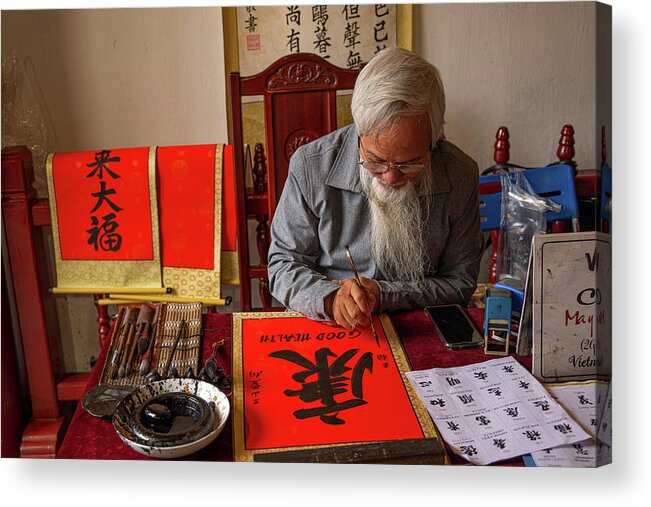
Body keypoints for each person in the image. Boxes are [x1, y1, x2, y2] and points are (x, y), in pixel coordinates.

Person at [267, 47, 483, 330]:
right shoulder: (311, 166)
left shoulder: (459, 174)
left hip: (417, 326)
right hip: (329, 325)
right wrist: (330, 298)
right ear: (359, 132)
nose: (391, 177)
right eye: (375, 160)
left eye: (411, 163)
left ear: (435, 138)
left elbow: (460, 282)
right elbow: (283, 265)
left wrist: (384, 294)